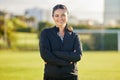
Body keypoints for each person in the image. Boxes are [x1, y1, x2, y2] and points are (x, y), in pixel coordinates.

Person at [39, 4, 82, 80]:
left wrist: (55, 53)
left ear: (67, 17)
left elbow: (78, 56)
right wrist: (67, 62)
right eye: (57, 15)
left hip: (70, 76)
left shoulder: (74, 36)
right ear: (53, 17)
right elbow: (45, 55)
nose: (60, 18)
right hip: (51, 76)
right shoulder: (46, 33)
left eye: (63, 15)